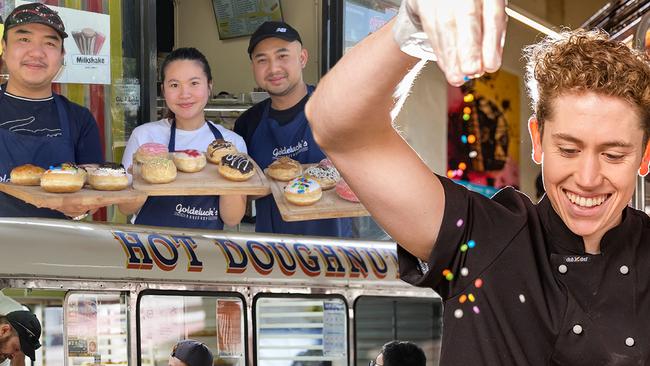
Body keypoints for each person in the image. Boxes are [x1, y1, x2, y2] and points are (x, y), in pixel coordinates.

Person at [306, 1, 650, 364]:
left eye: (613, 155)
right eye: (568, 149)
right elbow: (339, 127)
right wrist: (412, 29)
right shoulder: (480, 238)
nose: (587, 178)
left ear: (644, 156)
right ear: (537, 140)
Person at [234, 21, 352, 237]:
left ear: (302, 58)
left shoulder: (337, 107)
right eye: (262, 60)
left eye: (282, 56)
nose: (273, 68)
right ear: (254, 67)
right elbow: (242, 194)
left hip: (336, 252)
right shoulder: (247, 123)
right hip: (272, 253)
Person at [120, 47, 247, 229]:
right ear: (163, 90)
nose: (184, 94)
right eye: (174, 85)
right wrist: (143, 178)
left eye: (194, 83)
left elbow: (232, 219)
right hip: (149, 246)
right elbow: (125, 208)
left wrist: (228, 176)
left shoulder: (232, 144)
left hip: (204, 249)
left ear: (210, 86)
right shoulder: (144, 136)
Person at [0, 2, 104, 219]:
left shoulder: (80, 119)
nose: (36, 52)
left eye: (49, 43)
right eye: (24, 39)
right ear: (4, 47)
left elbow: (93, 192)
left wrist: (81, 208)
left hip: (60, 246)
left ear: (62, 55)